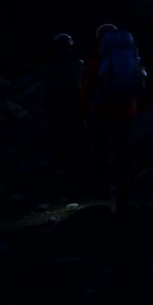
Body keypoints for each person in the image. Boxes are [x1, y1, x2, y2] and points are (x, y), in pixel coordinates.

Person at [80, 23, 144, 213]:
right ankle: (125, 195)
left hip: (102, 111)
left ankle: (102, 193)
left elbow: (87, 87)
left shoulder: (100, 58)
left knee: (100, 150)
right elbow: (138, 85)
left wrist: (82, 112)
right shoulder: (132, 56)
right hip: (126, 112)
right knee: (123, 153)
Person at [43, 33, 85, 192]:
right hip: (74, 104)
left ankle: (63, 170)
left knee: (60, 136)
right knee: (77, 136)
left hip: (58, 105)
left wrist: (46, 104)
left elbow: (48, 87)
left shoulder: (52, 64)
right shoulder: (77, 63)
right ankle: (78, 170)